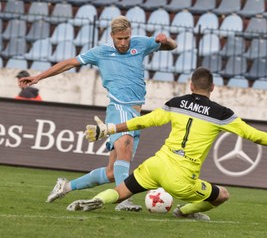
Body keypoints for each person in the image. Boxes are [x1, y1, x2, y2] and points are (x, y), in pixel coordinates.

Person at [66, 67, 267, 220]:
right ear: (212, 87)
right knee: (222, 195)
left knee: (122, 191)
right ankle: (184, 212)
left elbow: (145, 121)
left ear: (191, 85)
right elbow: (253, 135)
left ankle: (98, 199)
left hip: (156, 164)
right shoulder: (221, 113)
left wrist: (108, 128)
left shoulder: (176, 102)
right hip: (181, 177)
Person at [19, 16, 177, 211]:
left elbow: (172, 46)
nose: (123, 43)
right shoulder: (101, 52)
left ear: (130, 34)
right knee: (125, 148)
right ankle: (124, 201)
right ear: (112, 36)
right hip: (119, 106)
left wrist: (166, 40)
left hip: (136, 112)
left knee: (112, 172)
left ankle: (66, 186)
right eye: (119, 39)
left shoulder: (141, 43)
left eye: (126, 38)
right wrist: (38, 77)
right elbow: (69, 63)